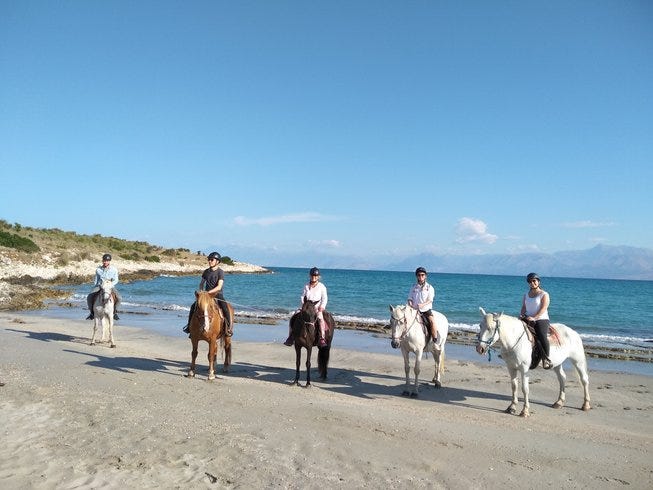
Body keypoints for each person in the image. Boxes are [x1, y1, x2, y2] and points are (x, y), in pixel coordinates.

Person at [182, 252, 232, 336]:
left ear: (217, 261)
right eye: (209, 259)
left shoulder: (220, 272)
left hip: (217, 294)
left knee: (225, 307)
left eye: (212, 260)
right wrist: (201, 292)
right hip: (206, 296)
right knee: (193, 306)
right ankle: (189, 327)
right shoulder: (206, 272)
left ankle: (228, 328)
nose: (209, 261)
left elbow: (219, 287)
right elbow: (201, 284)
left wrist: (208, 292)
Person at [284, 267, 329, 347]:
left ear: (318, 276)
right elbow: (302, 297)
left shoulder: (322, 287)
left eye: (315, 276)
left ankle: (322, 338)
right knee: (294, 316)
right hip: (306, 308)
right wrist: (303, 306)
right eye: (312, 276)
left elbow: (324, 298)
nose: (313, 277)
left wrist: (322, 307)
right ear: (310, 276)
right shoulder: (306, 286)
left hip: (316, 308)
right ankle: (290, 337)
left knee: (320, 318)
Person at [520, 272, 552, 369]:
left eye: (534, 281)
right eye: (530, 281)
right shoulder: (526, 294)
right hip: (528, 319)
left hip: (541, 319)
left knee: (542, 336)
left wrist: (535, 317)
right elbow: (524, 307)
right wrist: (521, 315)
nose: (532, 283)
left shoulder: (544, 294)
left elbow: (543, 308)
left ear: (538, 281)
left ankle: (546, 359)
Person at [86, 253, 121, 321]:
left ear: (109, 261)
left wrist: (110, 285)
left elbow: (116, 280)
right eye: (104, 260)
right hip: (100, 286)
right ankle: (92, 313)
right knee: (89, 297)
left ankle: (115, 312)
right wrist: (95, 287)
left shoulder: (114, 270)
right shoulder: (98, 269)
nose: (105, 262)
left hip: (109, 286)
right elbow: (96, 280)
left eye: (107, 261)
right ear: (102, 261)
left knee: (119, 298)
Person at [407, 267, 438, 343]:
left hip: (425, 310)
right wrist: (410, 303)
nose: (421, 277)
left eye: (422, 275)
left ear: (425, 276)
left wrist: (422, 305)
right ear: (416, 276)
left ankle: (434, 338)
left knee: (432, 321)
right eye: (419, 275)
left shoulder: (430, 288)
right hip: (414, 310)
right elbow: (409, 298)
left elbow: (430, 300)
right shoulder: (413, 287)